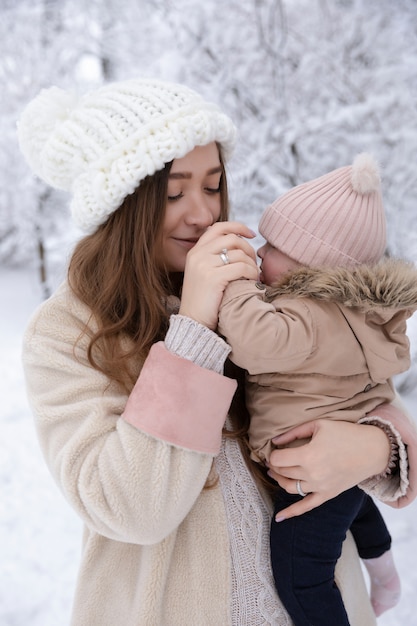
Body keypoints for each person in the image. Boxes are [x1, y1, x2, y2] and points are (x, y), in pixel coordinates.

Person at [16, 77, 417, 626]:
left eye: (213, 185)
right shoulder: (66, 330)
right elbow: (130, 507)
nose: (203, 214)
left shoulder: (253, 284)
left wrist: (376, 448)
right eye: (174, 193)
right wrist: (194, 331)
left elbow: (357, 382)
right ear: (121, 204)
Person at [218, 153, 417, 624]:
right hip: (344, 457)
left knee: (300, 574)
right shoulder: (348, 313)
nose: (261, 253)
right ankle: (384, 571)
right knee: (353, 504)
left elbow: (251, 341)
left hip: (310, 460)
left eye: (274, 246)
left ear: (312, 265)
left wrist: (234, 284)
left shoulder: (305, 316)